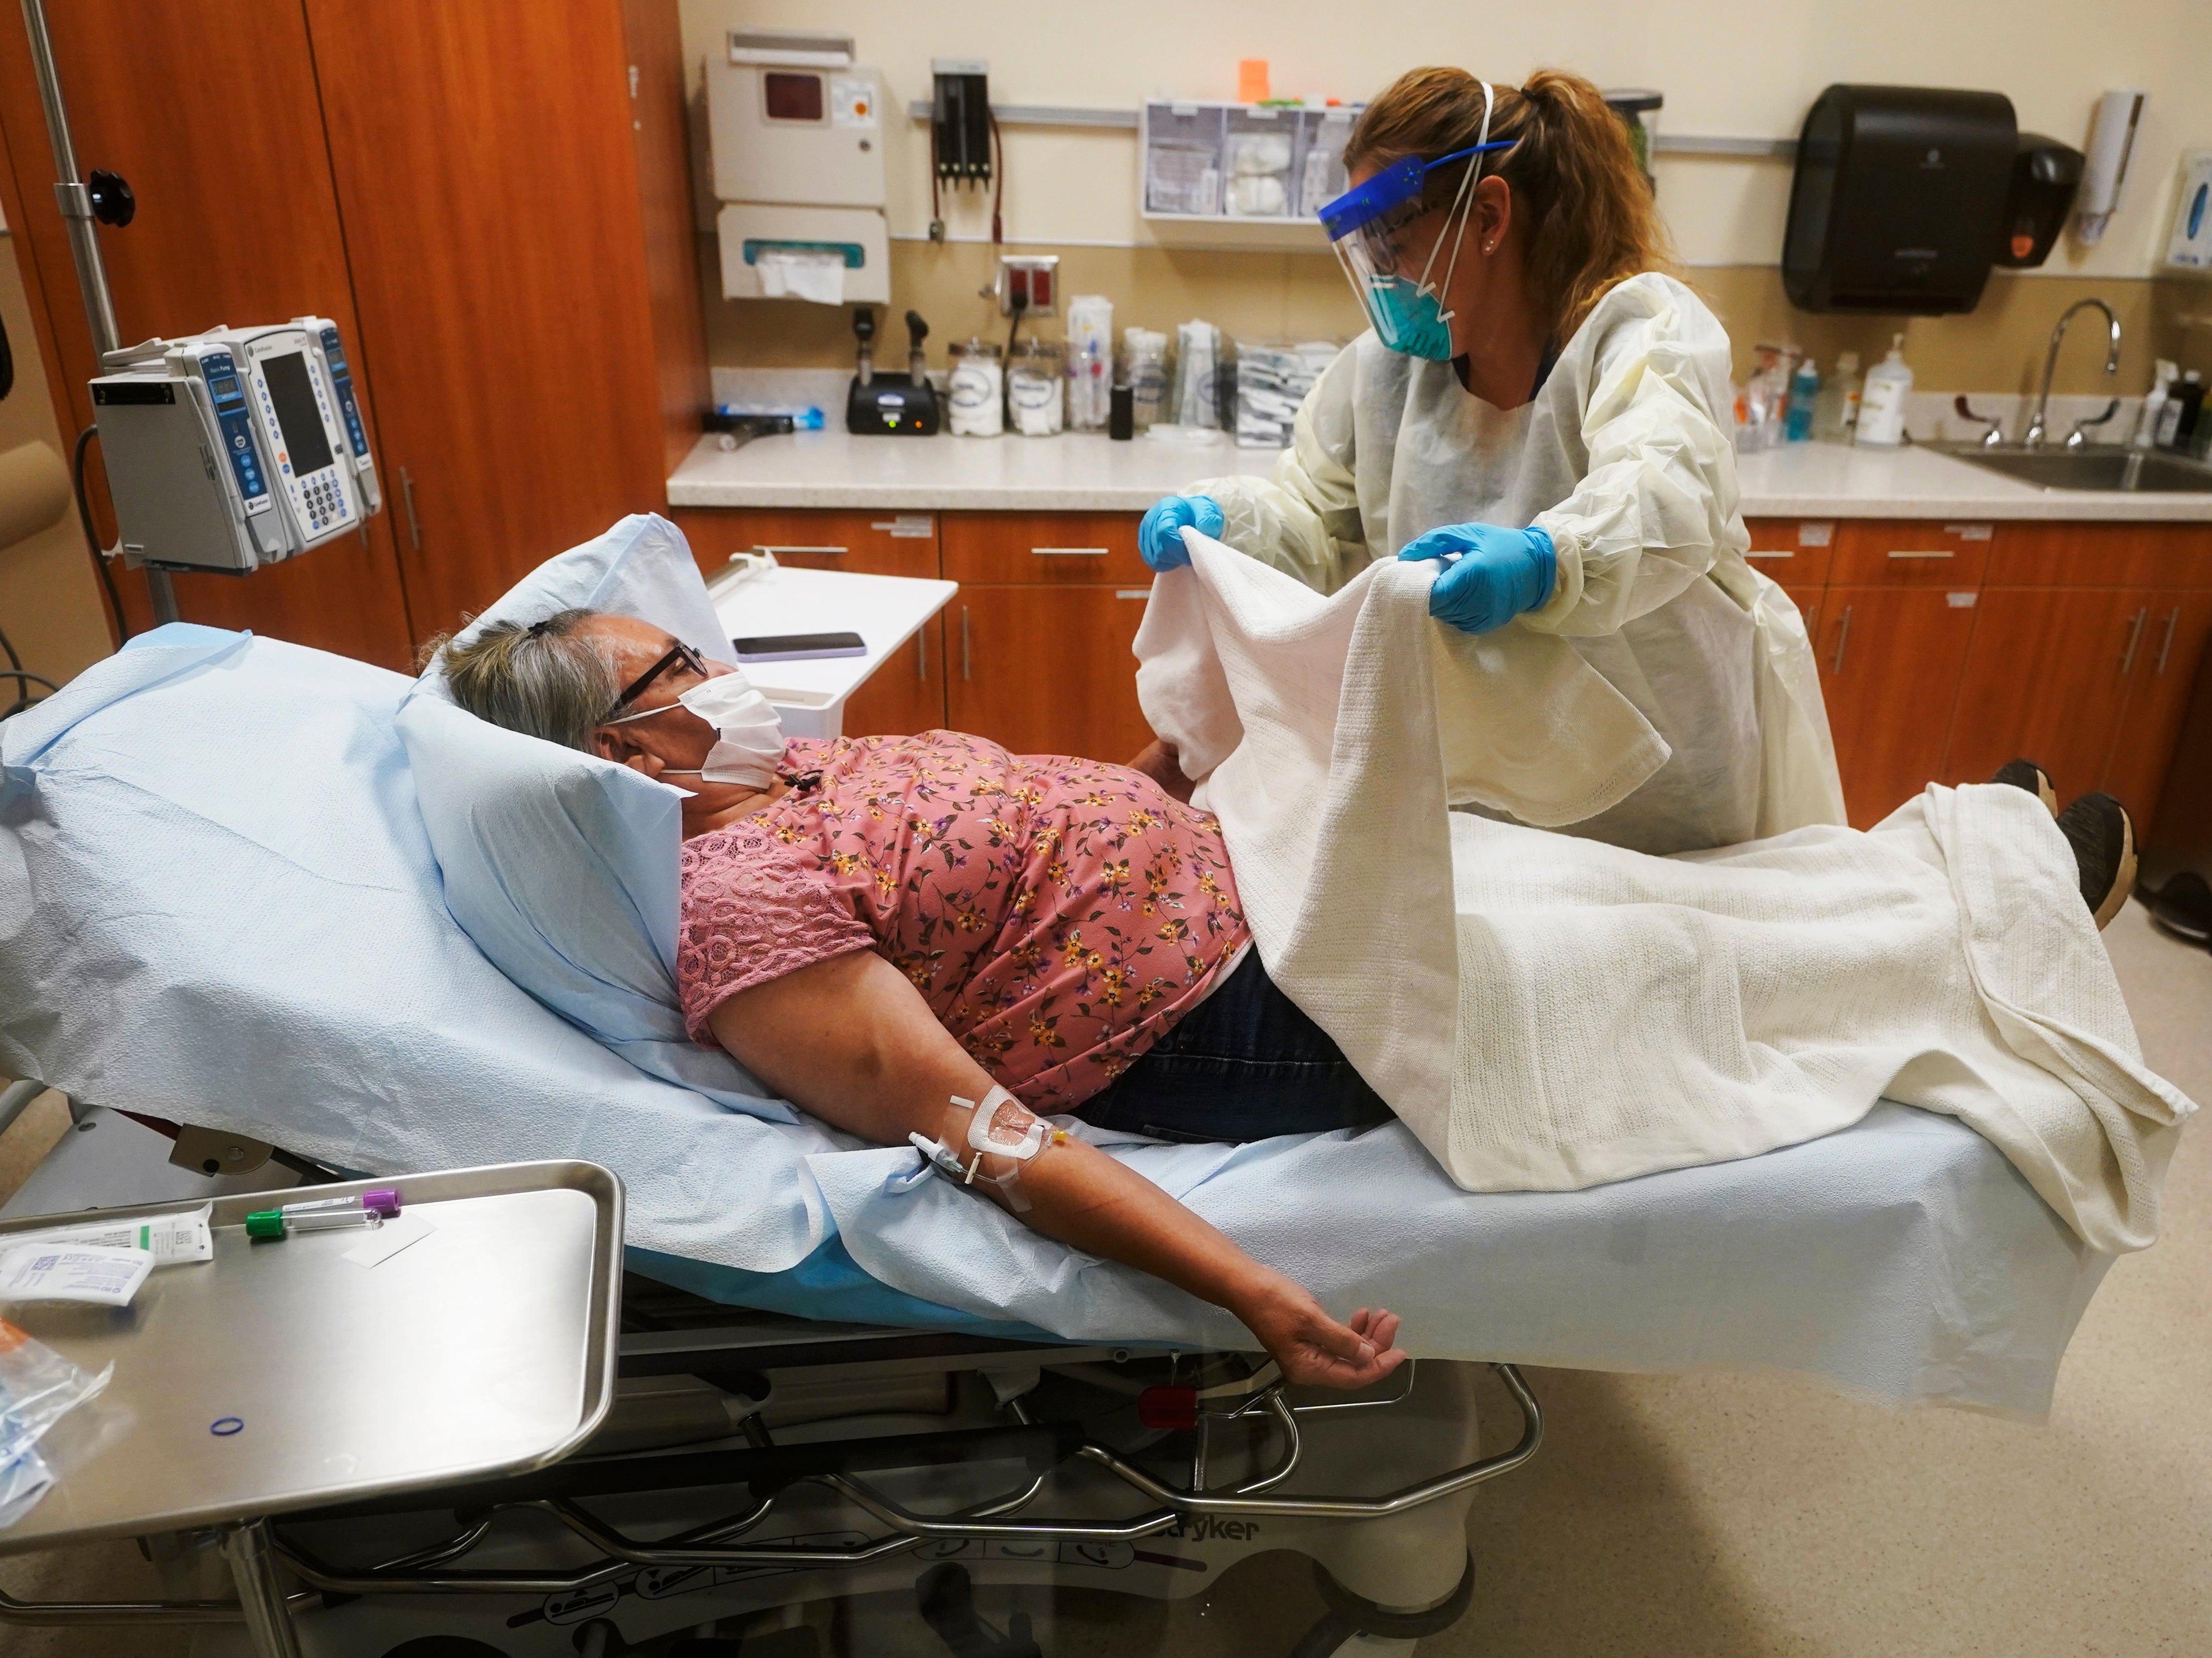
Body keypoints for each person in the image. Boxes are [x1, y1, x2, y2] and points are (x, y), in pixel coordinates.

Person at [434, 611, 2140, 1385]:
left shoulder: (784, 783)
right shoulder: (743, 921)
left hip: (1237, 881)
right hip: (1225, 1018)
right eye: (679, 659)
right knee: (1648, 960)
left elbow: (1013, 866)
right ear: (626, 747)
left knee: (1625, 873)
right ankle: (2011, 917)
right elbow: (980, 1133)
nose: (721, 664)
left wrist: (1172, 754)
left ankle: (1944, 867)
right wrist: (1252, 1287)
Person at [1136, 68, 1836, 856]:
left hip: (1666, 784)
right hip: (1492, 786)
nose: (1382, 275)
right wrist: (1232, 523)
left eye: (1390, 241)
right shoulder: (1386, 374)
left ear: (1490, 215)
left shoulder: (1638, 333)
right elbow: (1319, 520)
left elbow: (1666, 493)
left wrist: (1550, 561)